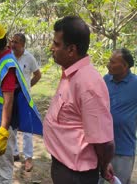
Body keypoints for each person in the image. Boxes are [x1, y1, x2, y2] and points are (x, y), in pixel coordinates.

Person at [43, 16, 115, 184]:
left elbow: (104, 142)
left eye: (56, 44)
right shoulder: (70, 74)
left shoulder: (89, 84)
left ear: (71, 50)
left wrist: (104, 165)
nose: (51, 48)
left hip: (76, 175)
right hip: (63, 166)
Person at [0, 16, 42, 183]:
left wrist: (4, 131)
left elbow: (8, 100)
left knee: (3, 167)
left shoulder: (8, 64)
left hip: (1, 124)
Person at [103, 48, 137, 184]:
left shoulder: (135, 84)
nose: (108, 64)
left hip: (123, 149)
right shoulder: (105, 80)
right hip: (103, 146)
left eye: (112, 62)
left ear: (125, 66)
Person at [11, 33, 41, 172]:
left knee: (27, 129)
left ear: (23, 44)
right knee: (13, 127)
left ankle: (28, 158)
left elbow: (38, 75)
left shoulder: (29, 58)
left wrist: (27, 87)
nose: (13, 44)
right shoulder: (9, 56)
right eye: (12, 41)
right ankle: (15, 153)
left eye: (16, 42)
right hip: (11, 97)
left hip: (25, 98)